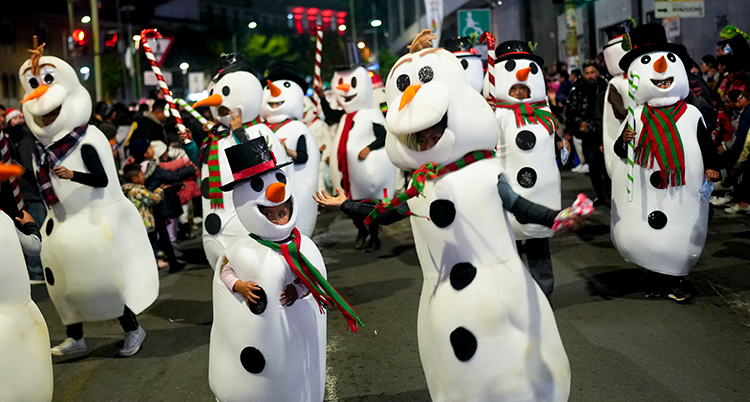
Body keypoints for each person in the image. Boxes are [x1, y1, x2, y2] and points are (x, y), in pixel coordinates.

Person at [219, 197, 309, 308]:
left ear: (291, 214)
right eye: (268, 214)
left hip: (289, 316)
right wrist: (239, 285)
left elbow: (310, 279)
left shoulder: (297, 247)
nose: (275, 220)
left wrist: (297, 290)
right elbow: (225, 270)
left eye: (281, 214)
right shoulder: (247, 246)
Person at [5, 108, 46, 282]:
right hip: (26, 193)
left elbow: (28, 168)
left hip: (30, 192)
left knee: (33, 229)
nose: (16, 121)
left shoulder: (24, 139)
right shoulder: (18, 138)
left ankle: (36, 270)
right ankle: (35, 270)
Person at [566, 59, 611, 205]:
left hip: (606, 131)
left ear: (597, 72)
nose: (590, 75)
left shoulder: (606, 85)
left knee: (608, 166)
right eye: (587, 73)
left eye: (592, 72)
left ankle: (609, 193)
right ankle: (600, 195)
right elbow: (571, 110)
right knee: (593, 166)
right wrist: (580, 122)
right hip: (588, 133)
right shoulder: (577, 88)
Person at [122, 163, 166, 267]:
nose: (144, 176)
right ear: (135, 179)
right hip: (145, 223)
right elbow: (152, 199)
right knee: (150, 244)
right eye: (141, 174)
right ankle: (153, 264)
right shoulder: (137, 190)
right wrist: (160, 190)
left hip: (136, 224)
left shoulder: (127, 190)